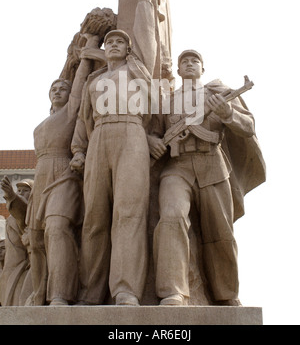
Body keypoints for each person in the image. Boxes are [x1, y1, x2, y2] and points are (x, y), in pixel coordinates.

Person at [148, 49, 265, 306]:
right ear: (178, 71)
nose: (189, 64)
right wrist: (153, 141)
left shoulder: (218, 93)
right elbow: (155, 133)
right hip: (177, 167)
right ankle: (173, 291)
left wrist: (227, 114)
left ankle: (226, 295)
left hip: (212, 163)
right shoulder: (167, 100)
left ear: (203, 68)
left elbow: (248, 127)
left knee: (220, 231)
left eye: (195, 61)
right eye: (184, 62)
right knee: (171, 216)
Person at [70, 26, 156, 306]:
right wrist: (79, 150)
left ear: (128, 49)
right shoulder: (94, 80)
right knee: (94, 217)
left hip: (132, 131)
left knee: (128, 214)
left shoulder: (137, 71)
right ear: (104, 50)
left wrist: (152, 135)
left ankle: (125, 290)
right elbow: (84, 119)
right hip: (99, 137)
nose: (115, 45)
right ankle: (90, 293)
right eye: (110, 42)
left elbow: (157, 103)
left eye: (120, 42)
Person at [26, 33, 99, 306]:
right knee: (35, 239)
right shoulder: (39, 127)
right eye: (53, 89)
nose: (58, 91)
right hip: (41, 175)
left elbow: (79, 84)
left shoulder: (71, 113)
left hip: (64, 173)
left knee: (57, 228)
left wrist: (89, 48)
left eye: (62, 89)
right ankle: (39, 294)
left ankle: (60, 294)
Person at [0, 177, 33, 305]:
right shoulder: (10, 218)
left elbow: (22, 211)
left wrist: (12, 196)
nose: (21, 193)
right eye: (18, 190)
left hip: (23, 269)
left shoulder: (31, 214)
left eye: (25, 190)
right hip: (10, 267)